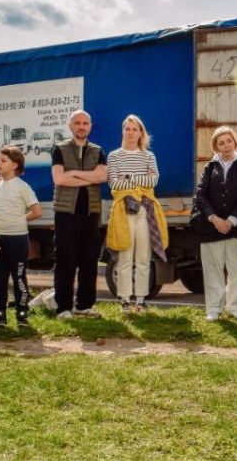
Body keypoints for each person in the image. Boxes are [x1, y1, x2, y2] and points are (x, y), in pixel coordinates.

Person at [194, 126, 237, 320]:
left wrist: (230, 221)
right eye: (221, 143)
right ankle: (214, 309)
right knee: (212, 271)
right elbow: (200, 196)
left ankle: (235, 307)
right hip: (211, 228)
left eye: (229, 141)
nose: (226, 145)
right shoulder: (209, 167)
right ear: (216, 146)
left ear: (235, 142)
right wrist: (214, 219)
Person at [106, 114, 167, 311]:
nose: (131, 132)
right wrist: (141, 178)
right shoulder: (114, 156)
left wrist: (128, 177)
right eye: (128, 128)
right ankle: (124, 299)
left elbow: (154, 181)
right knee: (124, 257)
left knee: (143, 257)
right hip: (123, 210)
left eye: (135, 129)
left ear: (141, 133)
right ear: (122, 131)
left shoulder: (149, 156)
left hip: (146, 210)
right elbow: (113, 183)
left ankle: (141, 299)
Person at [51, 109, 108, 319]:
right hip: (66, 213)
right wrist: (90, 177)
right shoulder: (59, 149)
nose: (81, 126)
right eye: (77, 123)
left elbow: (103, 177)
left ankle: (84, 305)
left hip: (91, 212)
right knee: (65, 260)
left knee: (89, 260)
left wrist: (74, 173)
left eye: (85, 123)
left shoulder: (98, 150)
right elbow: (59, 179)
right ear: (70, 126)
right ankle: (63, 307)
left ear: (90, 126)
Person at [0, 145, 40, 329]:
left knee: (19, 278)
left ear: (15, 164)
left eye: (3, 161)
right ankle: (0, 315)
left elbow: (36, 211)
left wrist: (20, 219)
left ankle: (22, 314)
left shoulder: (23, 187)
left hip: (18, 240)